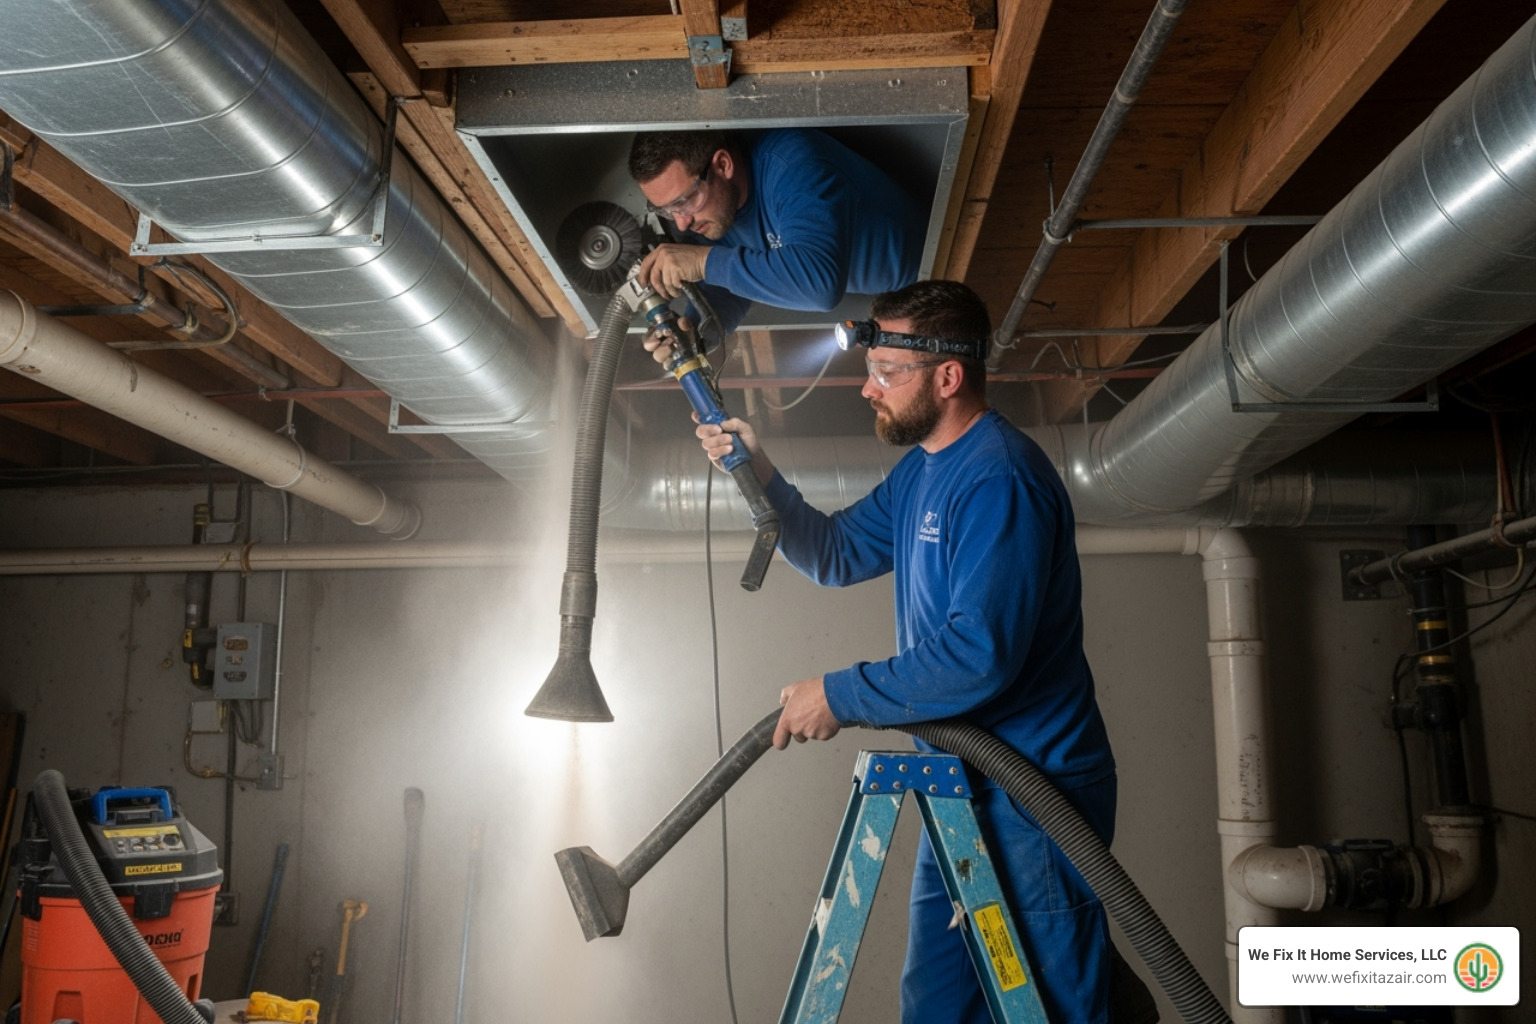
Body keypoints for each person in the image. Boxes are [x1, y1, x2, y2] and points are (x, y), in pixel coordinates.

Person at [648, 280, 1117, 1024]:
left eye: (887, 372)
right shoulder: (925, 469)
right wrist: (757, 470)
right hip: (958, 786)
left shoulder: (1000, 478)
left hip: (1033, 794)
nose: (868, 387)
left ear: (948, 377)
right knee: (936, 1004)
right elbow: (833, 552)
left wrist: (839, 694)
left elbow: (978, 656)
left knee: (1053, 1008)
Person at [628, 128, 927, 337]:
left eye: (684, 201)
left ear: (723, 164)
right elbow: (727, 285)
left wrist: (703, 262)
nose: (681, 223)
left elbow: (819, 286)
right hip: (895, 305)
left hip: (938, 273)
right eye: (667, 211)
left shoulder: (795, 165)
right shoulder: (711, 213)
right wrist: (694, 334)